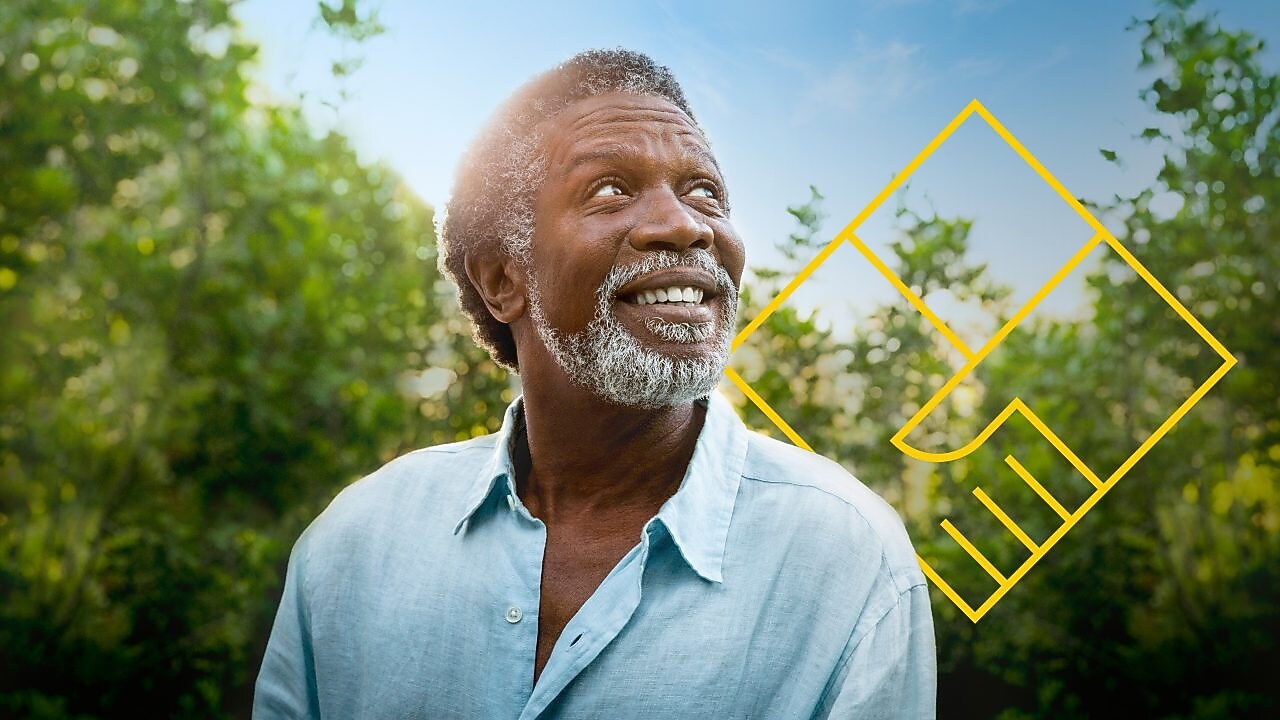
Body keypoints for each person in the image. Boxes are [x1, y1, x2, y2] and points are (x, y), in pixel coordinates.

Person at [254, 48, 935, 719]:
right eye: (610, 188)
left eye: (705, 192)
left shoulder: (848, 563)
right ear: (501, 278)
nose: (684, 224)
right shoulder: (352, 550)